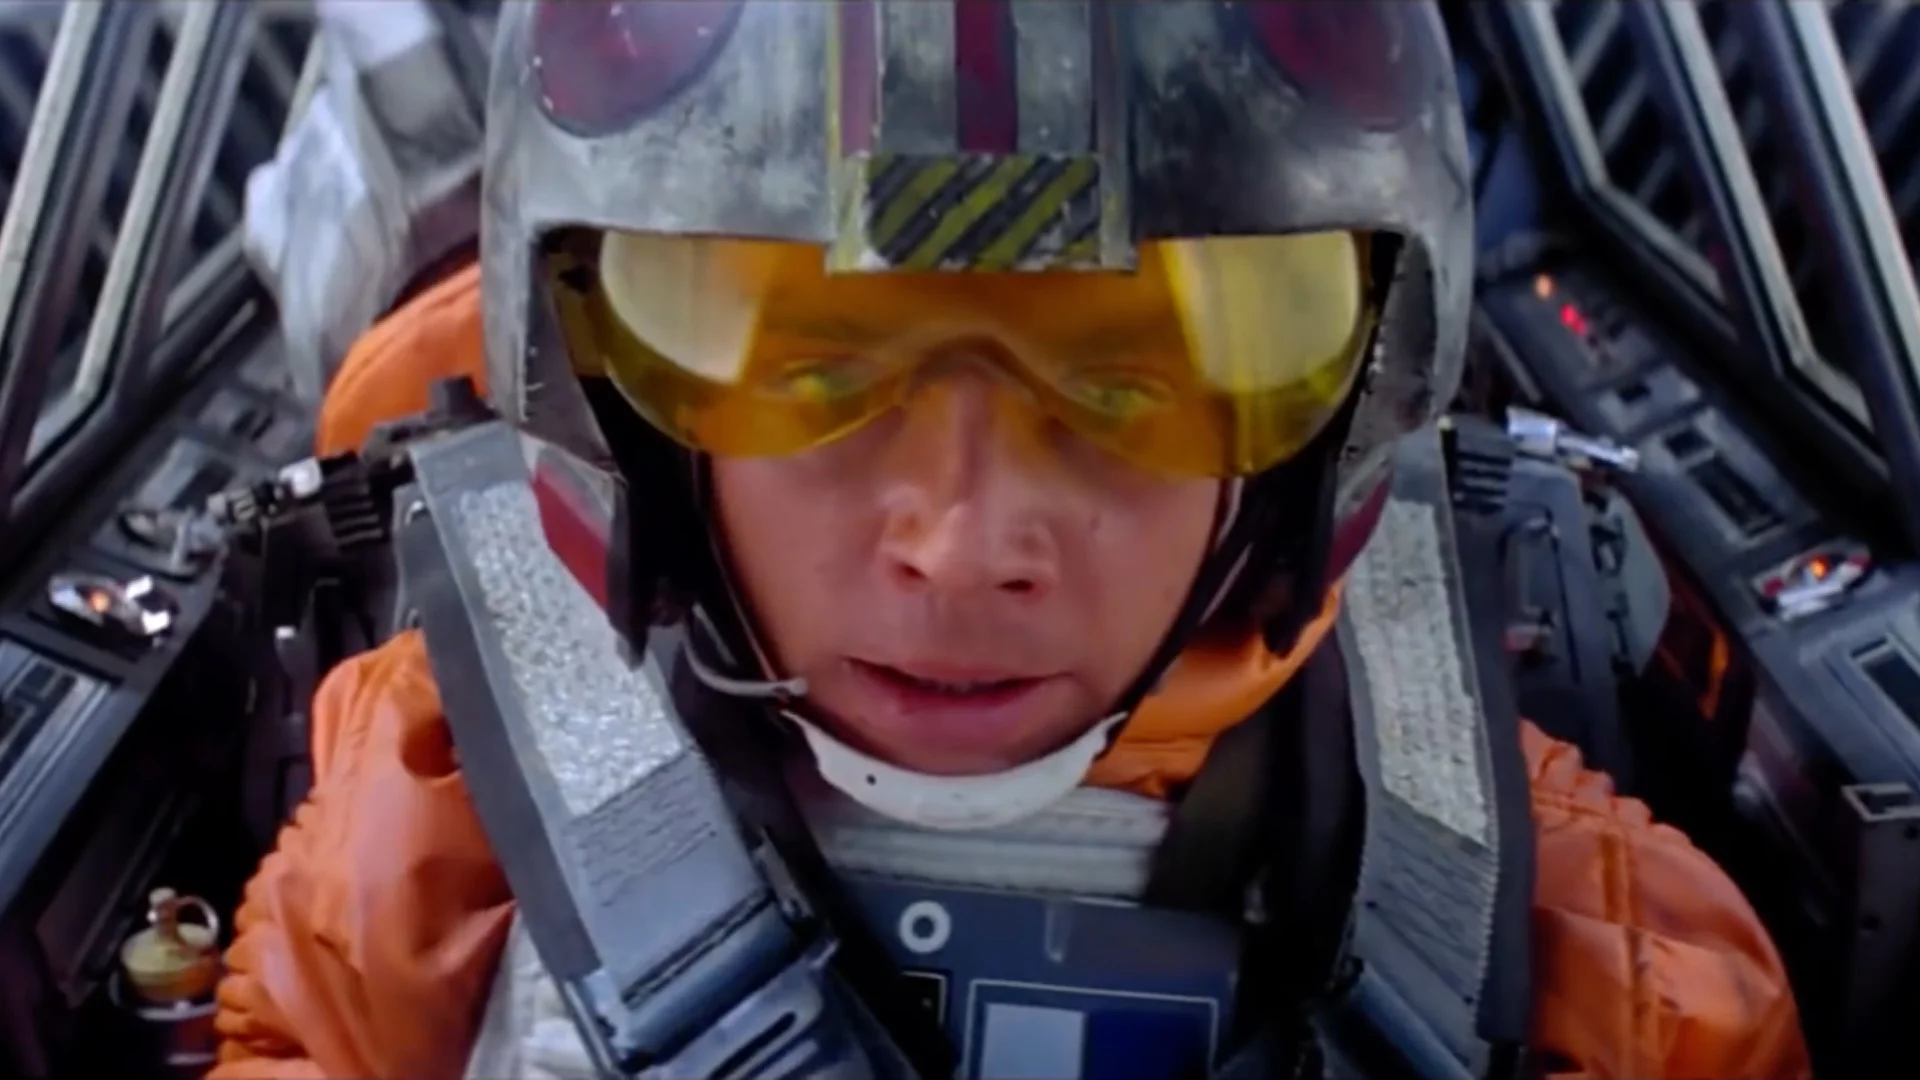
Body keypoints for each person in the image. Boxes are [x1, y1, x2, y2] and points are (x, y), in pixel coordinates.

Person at [209, 2, 1810, 1078]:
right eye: (813, 367)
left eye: (1132, 378)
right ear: (617, 404)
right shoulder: (434, 835)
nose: (965, 545)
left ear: (1325, 425)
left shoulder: (1595, 955)